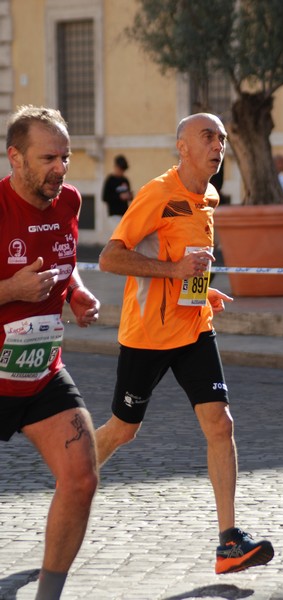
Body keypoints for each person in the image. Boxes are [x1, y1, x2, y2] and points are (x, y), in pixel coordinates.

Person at [96, 112, 274, 574]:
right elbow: (111, 258)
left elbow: (187, 260)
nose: (219, 145)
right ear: (183, 147)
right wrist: (174, 274)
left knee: (221, 424)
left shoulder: (210, 196)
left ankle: (229, 543)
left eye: (222, 138)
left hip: (195, 326)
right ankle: (74, 476)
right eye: (208, 136)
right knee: (123, 428)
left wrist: (200, 288)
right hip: (148, 336)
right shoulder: (157, 193)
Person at [0, 105, 100, 599]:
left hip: (40, 372)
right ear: (14, 157)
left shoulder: (70, 203)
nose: (60, 168)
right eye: (48, 158)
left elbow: (66, 258)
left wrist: (75, 292)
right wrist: (11, 289)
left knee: (82, 476)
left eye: (66, 157)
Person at [102, 154, 134, 230]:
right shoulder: (110, 180)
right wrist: (119, 197)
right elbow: (105, 197)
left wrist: (129, 196)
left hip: (124, 214)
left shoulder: (125, 180)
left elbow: (129, 195)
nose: (122, 172)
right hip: (114, 215)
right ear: (116, 167)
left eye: (123, 170)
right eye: (120, 169)